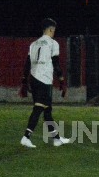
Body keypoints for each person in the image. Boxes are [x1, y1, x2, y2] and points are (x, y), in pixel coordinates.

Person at [19, 18, 70, 148]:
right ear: (51, 29)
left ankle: (57, 139)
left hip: (34, 78)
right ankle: (26, 137)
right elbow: (56, 63)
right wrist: (62, 80)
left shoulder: (33, 44)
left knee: (47, 110)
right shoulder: (53, 44)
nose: (54, 32)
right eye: (54, 30)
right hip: (44, 79)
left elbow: (27, 64)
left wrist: (24, 81)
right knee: (39, 108)